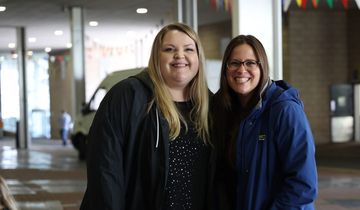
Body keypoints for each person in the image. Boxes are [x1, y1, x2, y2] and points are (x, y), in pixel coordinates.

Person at [80, 23, 213, 210]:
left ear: (198, 57)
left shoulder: (211, 106)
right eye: (169, 49)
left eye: (189, 49)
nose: (180, 55)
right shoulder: (128, 96)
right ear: (156, 57)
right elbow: (105, 169)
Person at [212, 35, 317, 210]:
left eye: (250, 63)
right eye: (234, 63)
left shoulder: (285, 111)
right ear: (225, 69)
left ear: (262, 67)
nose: (241, 69)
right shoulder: (223, 110)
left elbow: (303, 185)